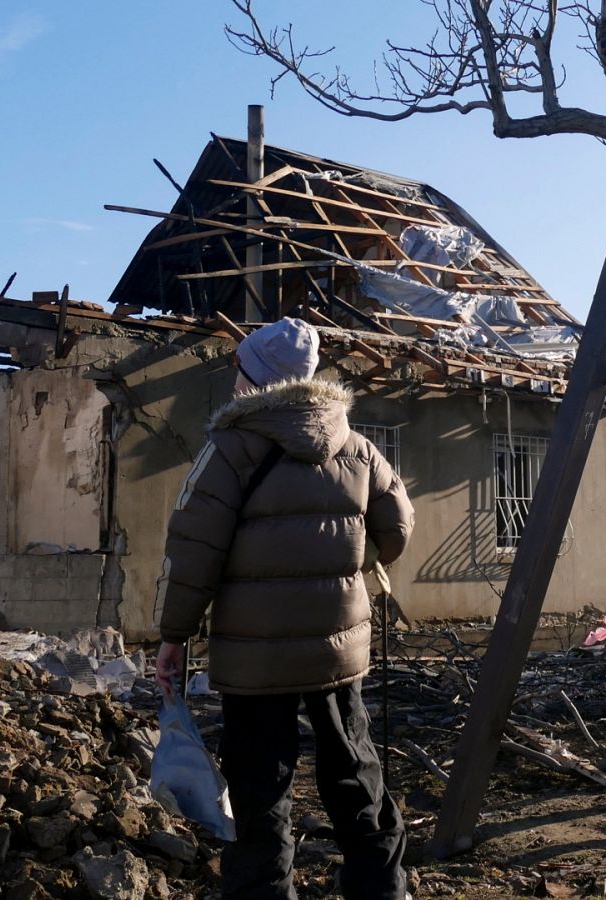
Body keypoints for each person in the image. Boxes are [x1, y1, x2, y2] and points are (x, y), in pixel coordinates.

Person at [153, 316, 414, 900]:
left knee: (260, 785)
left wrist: (175, 636)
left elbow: (193, 551)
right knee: (355, 770)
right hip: (337, 645)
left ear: (254, 379)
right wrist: (344, 559)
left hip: (255, 657)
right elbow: (397, 531)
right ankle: (382, 890)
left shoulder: (228, 450)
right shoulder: (359, 448)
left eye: (240, 371)